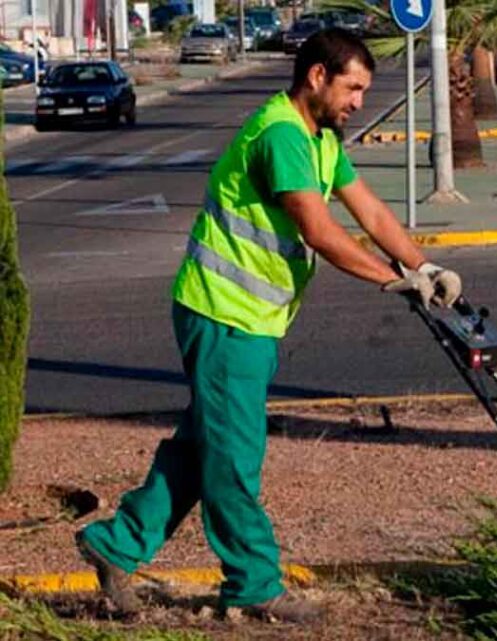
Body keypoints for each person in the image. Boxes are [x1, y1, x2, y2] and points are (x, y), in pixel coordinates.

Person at [74, 28, 460, 623]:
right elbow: (318, 230)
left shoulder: (319, 139)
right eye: (352, 88)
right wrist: (390, 280)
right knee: (233, 458)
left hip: (248, 318)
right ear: (317, 78)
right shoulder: (281, 134)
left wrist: (423, 264)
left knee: (204, 446)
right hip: (224, 314)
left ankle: (115, 545)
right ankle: (254, 586)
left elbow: (371, 211)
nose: (358, 101)